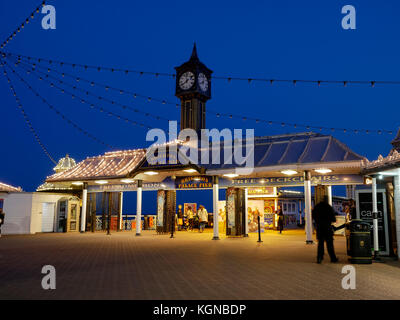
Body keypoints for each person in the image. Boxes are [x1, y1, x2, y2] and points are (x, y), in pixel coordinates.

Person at [312, 197, 338, 264]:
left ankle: (319, 258)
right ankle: (333, 258)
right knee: (330, 244)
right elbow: (333, 219)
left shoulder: (317, 207)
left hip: (319, 228)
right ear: (327, 200)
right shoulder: (328, 207)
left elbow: (313, 216)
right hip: (327, 228)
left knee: (320, 243)